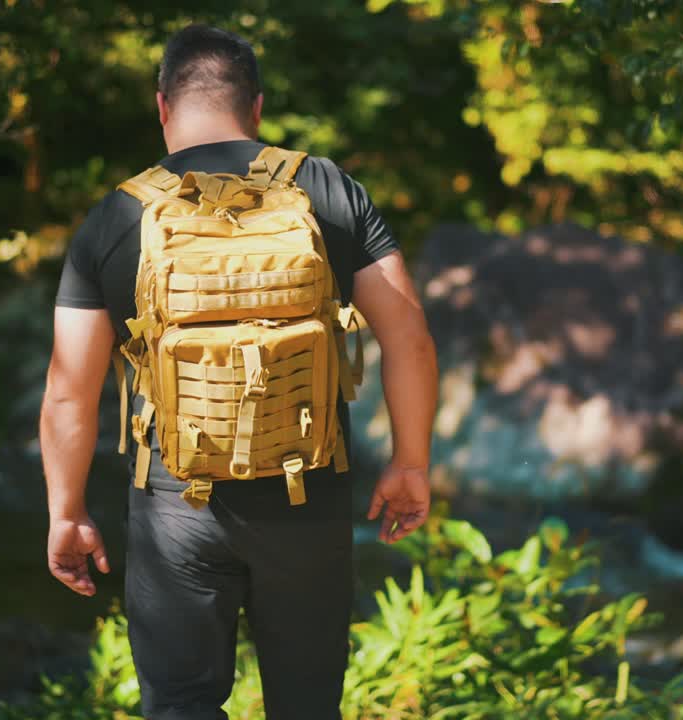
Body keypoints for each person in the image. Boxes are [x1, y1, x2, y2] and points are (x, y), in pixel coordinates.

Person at [38, 24, 438, 720]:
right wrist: (410, 462)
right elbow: (409, 339)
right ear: (256, 108)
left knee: (183, 708)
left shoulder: (116, 216)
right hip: (306, 494)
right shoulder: (328, 190)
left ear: (162, 106)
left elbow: (70, 388)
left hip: (174, 510)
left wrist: (66, 511)